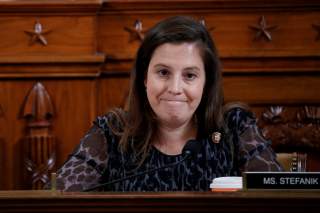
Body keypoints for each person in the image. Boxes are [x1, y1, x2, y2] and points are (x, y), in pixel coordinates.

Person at [54, 16, 282, 192]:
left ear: (206, 82)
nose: (175, 88)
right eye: (163, 72)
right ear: (145, 78)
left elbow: (280, 199)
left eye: (189, 75)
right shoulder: (112, 131)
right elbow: (56, 202)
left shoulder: (234, 127)